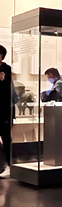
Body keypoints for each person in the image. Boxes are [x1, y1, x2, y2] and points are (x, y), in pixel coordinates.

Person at [0, 44, 13, 175]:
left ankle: (9, 165)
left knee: (6, 139)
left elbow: (6, 89)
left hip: (4, 112)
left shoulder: (6, 69)